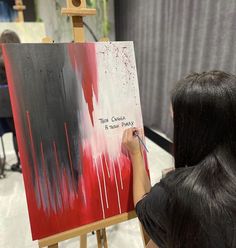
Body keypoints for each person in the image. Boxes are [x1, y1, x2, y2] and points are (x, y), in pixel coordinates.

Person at [122, 71, 236, 248]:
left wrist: (136, 154)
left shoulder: (176, 194)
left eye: (176, 121)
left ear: (193, 130)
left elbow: (143, 208)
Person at [0, 30, 21, 173]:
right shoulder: (18, 58)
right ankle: (21, 163)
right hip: (16, 103)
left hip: (2, 109)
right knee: (18, 132)